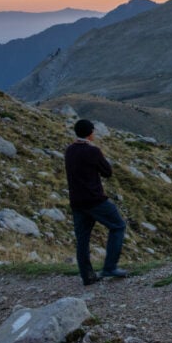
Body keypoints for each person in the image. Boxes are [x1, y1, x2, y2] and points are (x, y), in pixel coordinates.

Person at [65, 119, 127, 284]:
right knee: (118, 225)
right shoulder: (93, 151)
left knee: (83, 239)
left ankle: (87, 276)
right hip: (94, 199)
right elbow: (107, 172)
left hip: (76, 201)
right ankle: (110, 267)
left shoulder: (69, 150)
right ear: (91, 132)